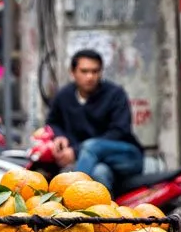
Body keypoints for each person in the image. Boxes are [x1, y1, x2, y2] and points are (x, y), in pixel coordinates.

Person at [47, 49, 143, 193]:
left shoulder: (115, 94)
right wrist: (59, 136)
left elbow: (120, 131)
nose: (90, 76)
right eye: (84, 71)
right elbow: (52, 122)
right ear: (73, 72)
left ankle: (72, 198)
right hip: (95, 162)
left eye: (95, 71)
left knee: (91, 146)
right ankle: (105, 214)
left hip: (125, 157)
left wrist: (75, 151)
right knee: (99, 173)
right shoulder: (64, 96)